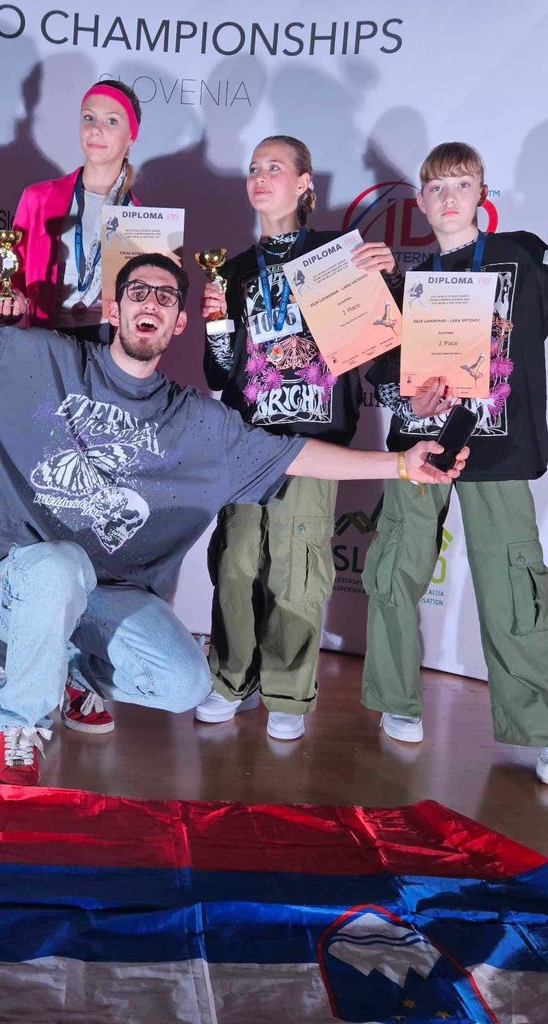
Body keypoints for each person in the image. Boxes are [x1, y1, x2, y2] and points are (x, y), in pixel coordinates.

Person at [0, 209, 468, 783]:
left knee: (185, 684)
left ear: (178, 326)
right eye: (139, 291)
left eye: (166, 299)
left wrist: (401, 466)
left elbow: (293, 454)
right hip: (16, 582)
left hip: (108, 599)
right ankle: (19, 727)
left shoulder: (195, 423)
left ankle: (72, 672)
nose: (151, 304)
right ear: (113, 310)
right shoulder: (37, 361)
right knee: (60, 566)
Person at [196, 136, 400, 739]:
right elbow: (218, 375)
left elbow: (379, 343)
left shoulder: (339, 256)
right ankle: (231, 679)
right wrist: (217, 327)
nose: (260, 177)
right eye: (253, 168)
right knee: (235, 563)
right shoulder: (233, 270)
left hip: (314, 441)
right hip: (247, 442)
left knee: (299, 567)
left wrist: (387, 280)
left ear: (305, 182)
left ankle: (286, 689)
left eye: (275, 167)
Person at [362, 141, 548, 784]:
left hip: (499, 448)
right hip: (420, 445)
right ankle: (396, 700)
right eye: (436, 186)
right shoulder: (405, 281)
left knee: (513, 583)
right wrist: (406, 396)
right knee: (396, 568)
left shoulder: (522, 257)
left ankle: (541, 726)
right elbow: (378, 374)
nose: (448, 197)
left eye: (462, 184)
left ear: (482, 195)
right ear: (419, 201)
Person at [0, 79, 143, 731]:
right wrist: (14, 304)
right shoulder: (39, 197)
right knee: (35, 508)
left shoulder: (146, 217)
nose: (96, 130)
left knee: (94, 516)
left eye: (111, 121)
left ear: (131, 135)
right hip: (44, 362)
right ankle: (16, 654)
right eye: (88, 118)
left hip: (107, 369)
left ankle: (80, 674)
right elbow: (13, 283)